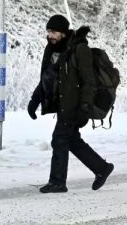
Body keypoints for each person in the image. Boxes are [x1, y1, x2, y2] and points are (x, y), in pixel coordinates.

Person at [27, 15, 114, 193]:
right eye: (49, 31)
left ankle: (58, 182)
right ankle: (101, 168)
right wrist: (35, 100)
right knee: (71, 140)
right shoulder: (52, 50)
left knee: (59, 139)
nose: (50, 35)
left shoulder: (79, 50)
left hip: (74, 104)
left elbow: (89, 81)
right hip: (62, 104)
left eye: (54, 32)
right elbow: (47, 77)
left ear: (64, 33)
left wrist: (85, 106)